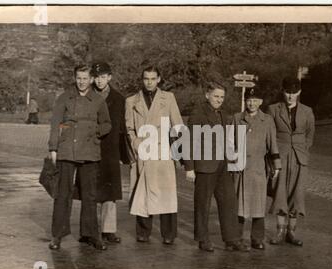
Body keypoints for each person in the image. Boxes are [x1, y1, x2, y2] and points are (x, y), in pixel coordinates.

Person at [47, 64, 111, 251]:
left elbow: (107, 124)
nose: (82, 82)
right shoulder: (64, 98)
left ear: (91, 79)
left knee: (89, 195)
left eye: (85, 78)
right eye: (79, 78)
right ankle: (57, 235)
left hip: (90, 152)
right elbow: (55, 124)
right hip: (67, 151)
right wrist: (53, 148)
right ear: (75, 78)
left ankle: (91, 235)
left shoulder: (98, 100)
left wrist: (95, 132)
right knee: (62, 195)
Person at [184, 81, 250, 252]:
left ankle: (232, 239)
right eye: (216, 96)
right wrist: (189, 167)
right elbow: (188, 142)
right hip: (204, 166)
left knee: (229, 201)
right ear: (207, 95)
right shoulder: (198, 114)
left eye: (222, 97)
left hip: (222, 165)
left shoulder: (223, 114)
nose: (219, 100)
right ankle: (203, 239)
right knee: (203, 204)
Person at [125, 65, 184, 245]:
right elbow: (129, 128)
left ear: (159, 79)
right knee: (142, 193)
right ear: (142, 80)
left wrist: (177, 152)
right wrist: (136, 144)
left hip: (162, 153)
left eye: (153, 78)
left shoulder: (168, 98)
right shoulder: (131, 101)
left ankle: (168, 233)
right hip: (143, 151)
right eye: (146, 79)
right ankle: (143, 231)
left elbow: (178, 126)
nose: (149, 82)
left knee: (166, 193)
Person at [77, 62, 130, 244]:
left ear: (110, 77)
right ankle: (87, 230)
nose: (99, 81)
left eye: (103, 77)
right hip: (88, 148)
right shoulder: (85, 95)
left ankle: (108, 230)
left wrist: (124, 154)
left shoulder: (119, 99)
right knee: (88, 190)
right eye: (97, 77)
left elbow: (122, 128)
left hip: (110, 151)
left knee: (109, 193)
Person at [267, 76, 315, 247]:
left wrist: (303, 151)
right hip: (280, 155)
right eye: (288, 92)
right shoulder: (273, 109)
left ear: (299, 92)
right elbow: (270, 134)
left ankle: (291, 232)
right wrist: (273, 157)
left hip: (299, 158)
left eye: (294, 93)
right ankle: (279, 231)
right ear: (283, 91)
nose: (290, 96)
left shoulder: (307, 111)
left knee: (297, 194)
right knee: (280, 192)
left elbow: (310, 135)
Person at [233, 87, 281, 250]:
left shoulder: (267, 120)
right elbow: (229, 143)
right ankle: (236, 238)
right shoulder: (237, 118)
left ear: (260, 102)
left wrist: (277, 166)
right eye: (249, 100)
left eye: (255, 100)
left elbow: (273, 144)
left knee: (258, 205)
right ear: (245, 101)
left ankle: (257, 238)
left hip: (258, 169)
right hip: (239, 169)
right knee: (238, 204)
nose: (252, 103)